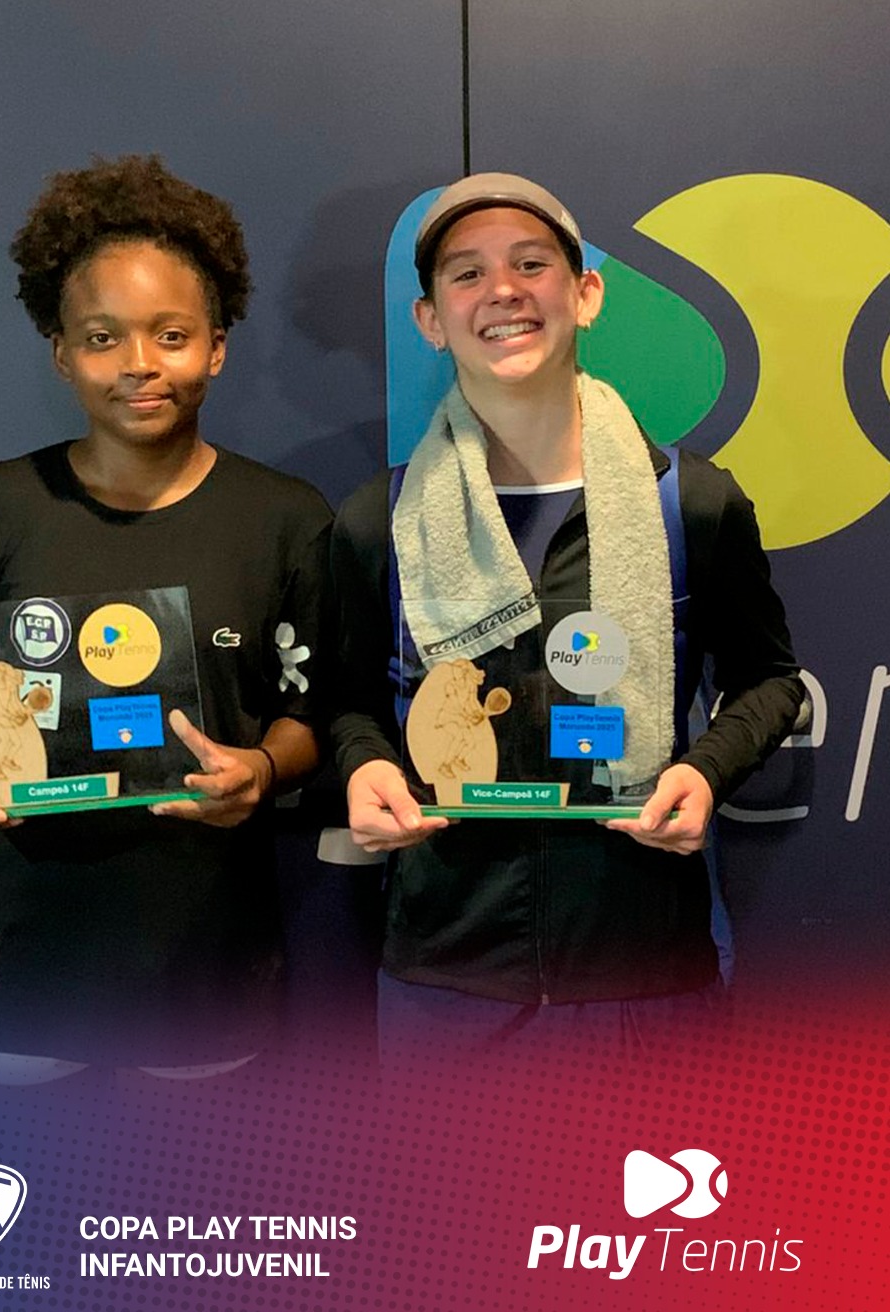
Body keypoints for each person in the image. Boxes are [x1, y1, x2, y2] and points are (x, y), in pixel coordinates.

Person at [329, 172, 804, 1059]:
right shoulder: (380, 521)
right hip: (446, 983)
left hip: (646, 974)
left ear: (585, 294)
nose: (502, 291)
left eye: (531, 264)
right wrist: (364, 765)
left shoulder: (690, 504)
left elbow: (771, 683)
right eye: (466, 274)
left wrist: (706, 773)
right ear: (430, 319)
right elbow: (347, 702)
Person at [0, 155, 331, 1083]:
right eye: (101, 337)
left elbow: (310, 716)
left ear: (216, 347)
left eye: (171, 334)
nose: (139, 365)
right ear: (61, 353)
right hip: (20, 953)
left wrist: (260, 768)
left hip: (204, 963)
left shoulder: (287, 519)